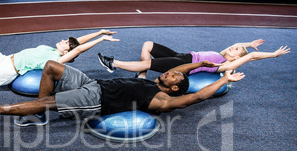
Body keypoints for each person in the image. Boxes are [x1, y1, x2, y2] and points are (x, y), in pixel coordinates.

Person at [0, 60, 244, 126]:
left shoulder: (162, 99)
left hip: (95, 100)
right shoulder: (155, 82)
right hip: (92, 84)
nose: (170, 71)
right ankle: (42, 111)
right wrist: (199, 64)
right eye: (172, 72)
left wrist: (224, 79)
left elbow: (196, 96)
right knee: (52, 67)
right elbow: (179, 69)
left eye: (174, 76)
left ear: (174, 87)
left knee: (49, 101)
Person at [97, 39, 290, 78]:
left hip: (185, 64)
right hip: (181, 55)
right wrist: (247, 45)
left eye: (236, 49)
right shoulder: (224, 53)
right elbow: (244, 50)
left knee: (149, 63)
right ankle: (141, 78)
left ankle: (113, 64)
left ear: (236, 58)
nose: (232, 46)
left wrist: (273, 54)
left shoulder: (223, 65)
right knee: (148, 45)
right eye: (234, 46)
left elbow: (251, 57)